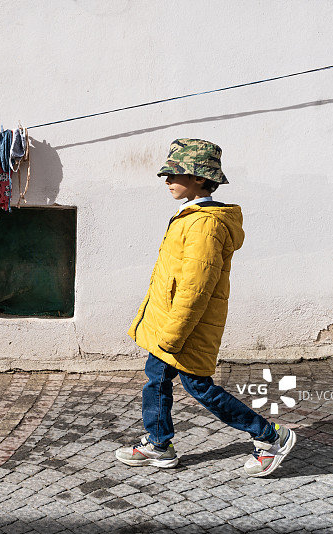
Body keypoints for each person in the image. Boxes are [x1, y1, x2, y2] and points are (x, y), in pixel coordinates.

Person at [115, 138, 296, 477]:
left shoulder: (206, 224)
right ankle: (159, 445)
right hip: (170, 321)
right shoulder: (189, 217)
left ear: (200, 179)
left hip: (184, 326)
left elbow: (195, 289)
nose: (167, 181)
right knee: (156, 379)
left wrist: (172, 334)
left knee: (199, 387)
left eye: (176, 174)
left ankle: (270, 437)